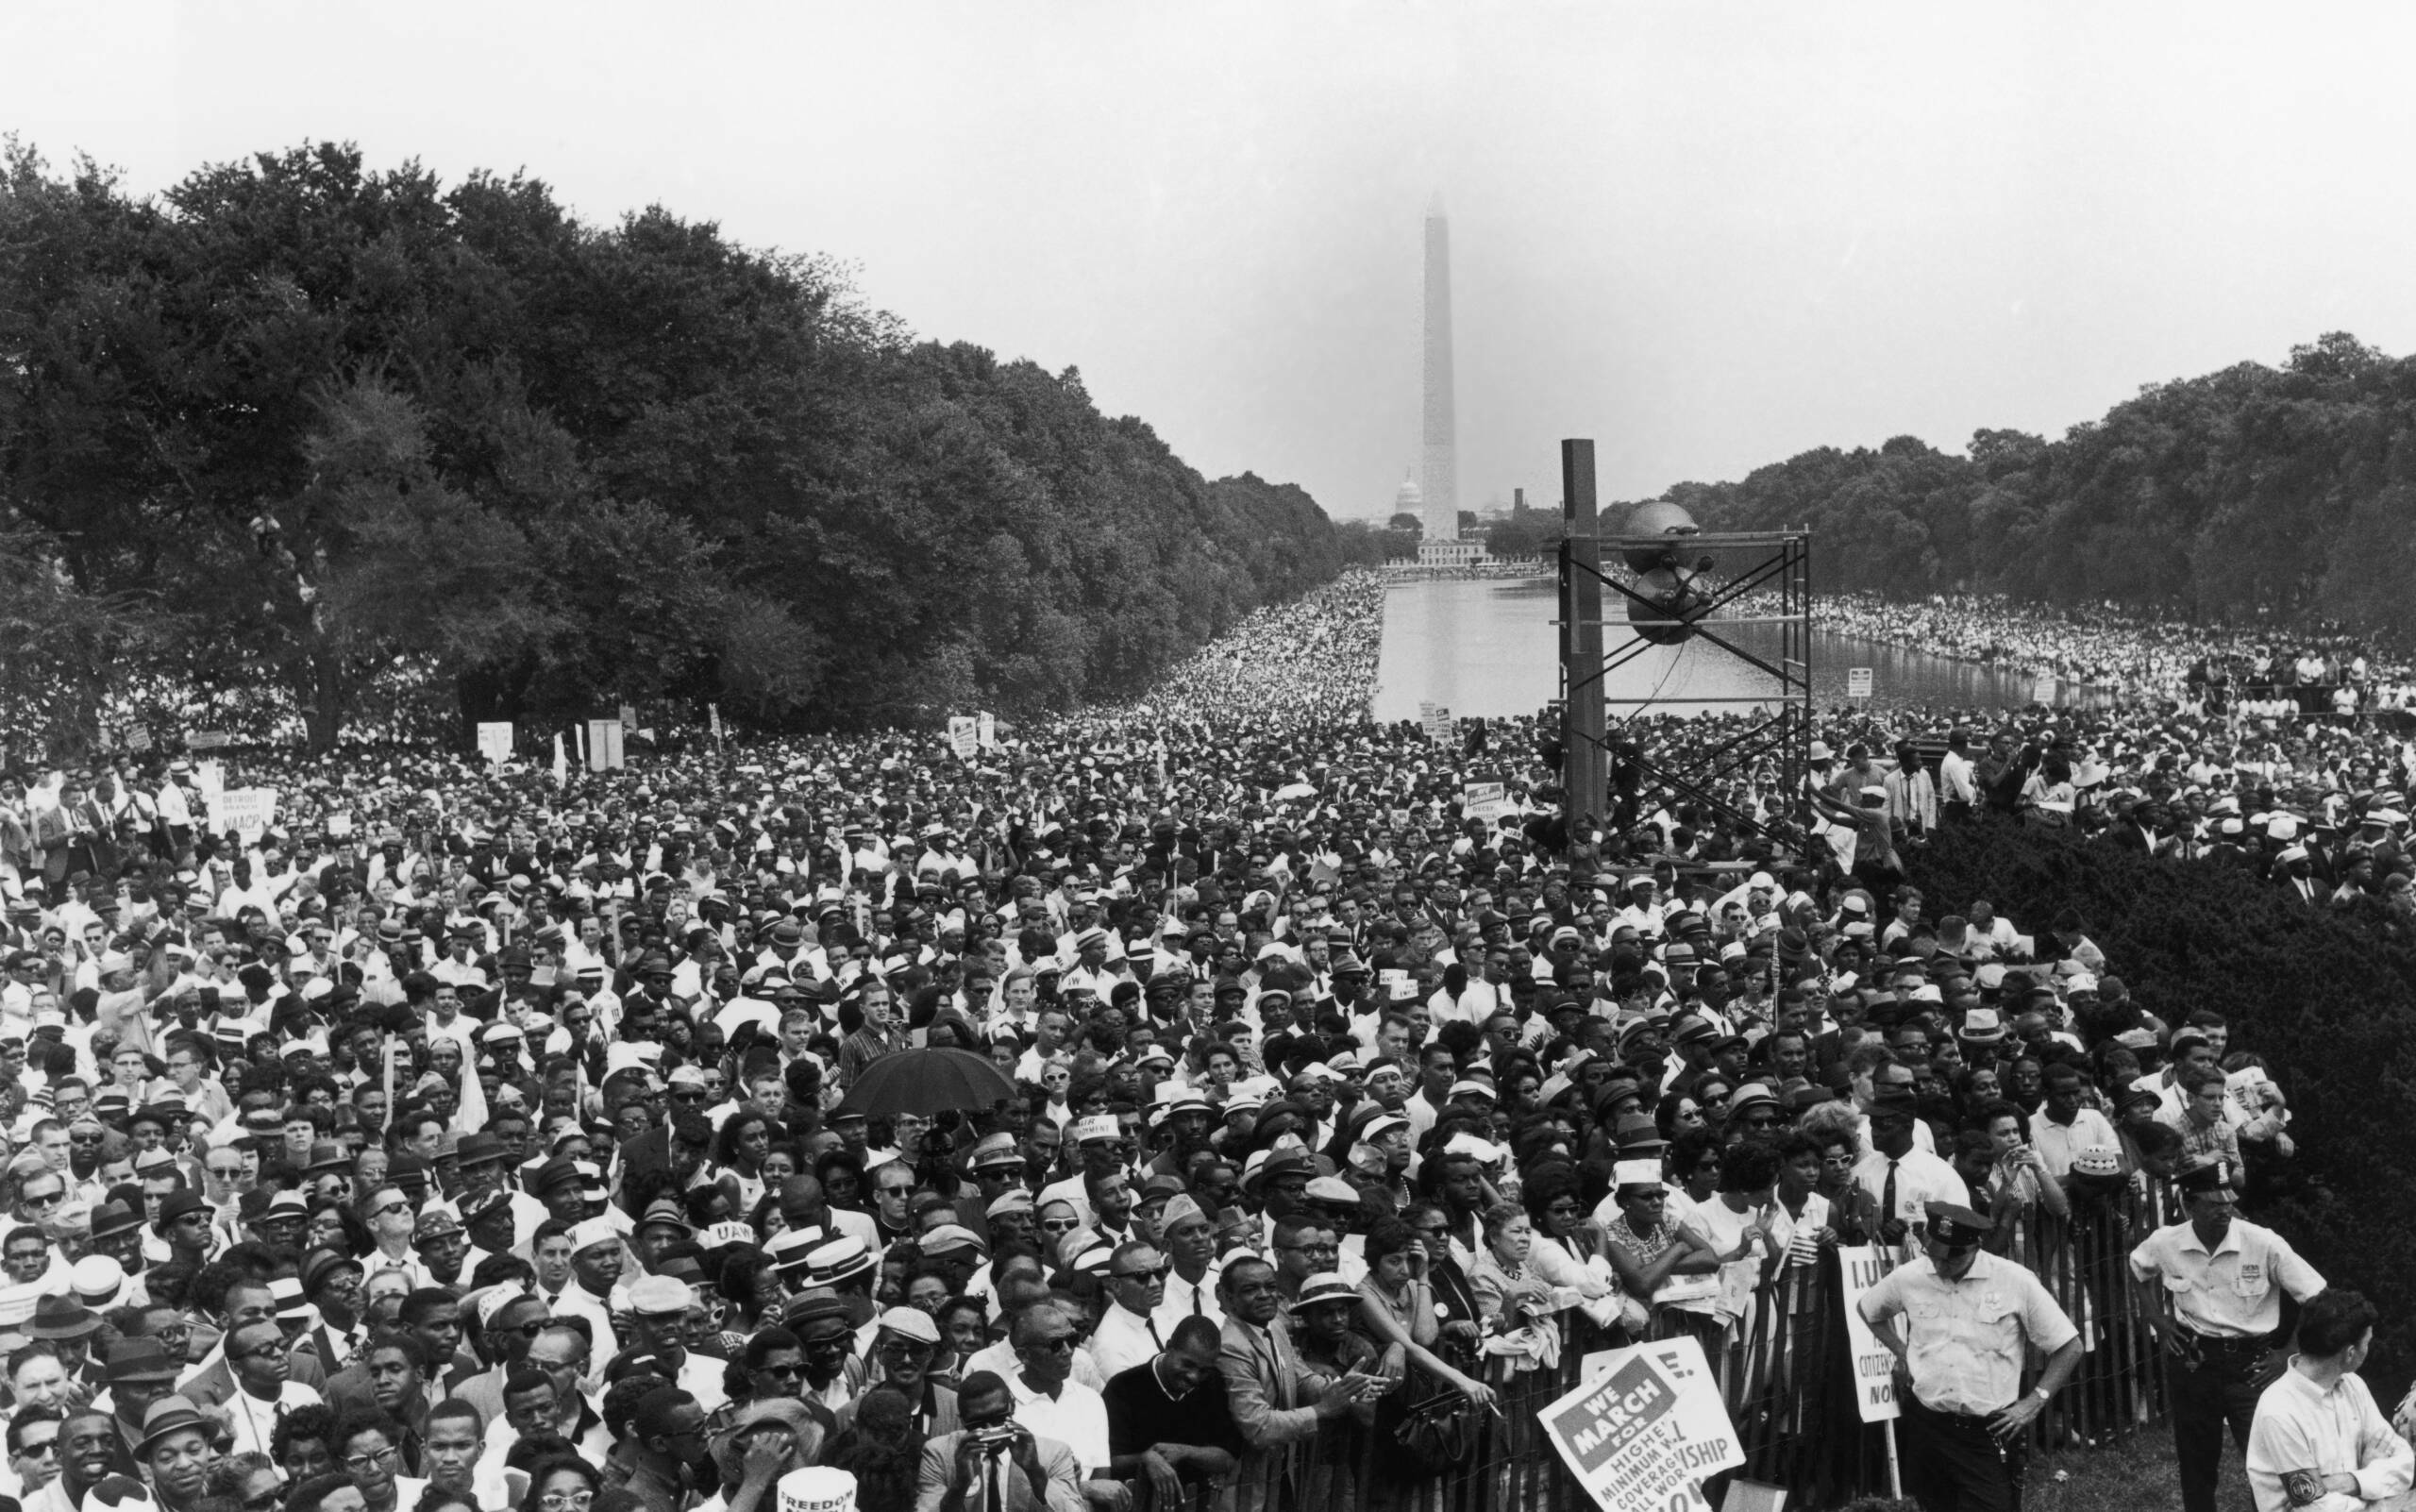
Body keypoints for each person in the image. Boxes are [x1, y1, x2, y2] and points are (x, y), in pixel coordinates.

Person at [2130, 1159, 2328, 1512]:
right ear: (2188, 1205)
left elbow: (2315, 1295)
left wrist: (2287, 1353)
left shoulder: (2262, 1242)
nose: (2226, 1211)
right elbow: (2136, 1267)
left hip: (2252, 1366)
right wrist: (2154, 1316)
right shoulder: (2166, 1241)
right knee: (2196, 1461)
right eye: (2214, 1204)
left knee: (2271, 1461)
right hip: (2193, 1361)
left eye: (2229, 1203)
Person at [1857, 1202, 2082, 1512]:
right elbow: (1869, 1310)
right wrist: (1902, 1351)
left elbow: (2069, 1346)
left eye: (1952, 1258)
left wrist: (2034, 1402)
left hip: (1987, 1431)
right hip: (1928, 1424)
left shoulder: (2015, 1280)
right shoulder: (1911, 1276)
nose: (1940, 1265)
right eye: (1934, 1255)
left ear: (1975, 1247)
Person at [2246, 1288, 2412, 1512]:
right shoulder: (2279, 1411)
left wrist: (2351, 1481)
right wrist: (2373, 1488)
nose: (2368, 1349)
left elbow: (2406, 1463)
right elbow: (2315, 1507)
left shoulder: (2353, 1386)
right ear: (2350, 1353)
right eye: (2368, 1342)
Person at [1099, 1316, 1244, 1509]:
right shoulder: (1124, 1387)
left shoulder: (1213, 1385)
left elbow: (1227, 1458)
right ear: (1169, 1347)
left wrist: (1184, 1452)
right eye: (1187, 1364)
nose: (1194, 1376)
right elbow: (1106, 1462)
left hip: (1195, 1504)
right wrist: (1146, 1459)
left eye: (1204, 1370)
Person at [915, 1369, 1085, 1512]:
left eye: (999, 1417)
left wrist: (1035, 1472)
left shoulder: (1053, 1453)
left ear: (1012, 1406)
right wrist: (960, 1484)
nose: (990, 1428)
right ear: (962, 1420)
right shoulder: (939, 1453)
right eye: (977, 1423)